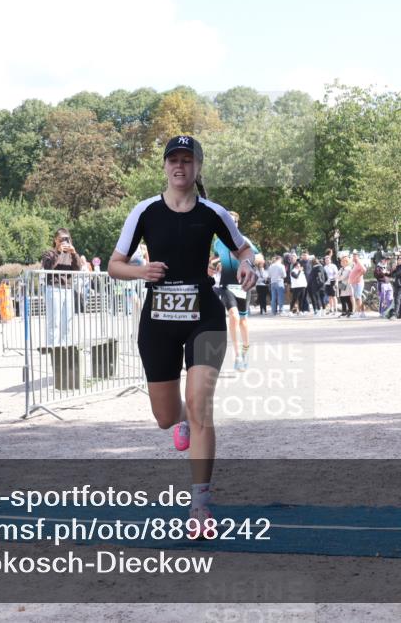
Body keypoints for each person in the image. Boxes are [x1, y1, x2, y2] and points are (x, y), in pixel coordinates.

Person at [107, 135, 254, 536]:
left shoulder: (213, 213)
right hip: (158, 322)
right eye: (174, 159)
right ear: (165, 166)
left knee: (202, 404)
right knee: (165, 416)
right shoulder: (144, 211)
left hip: (203, 316)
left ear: (197, 167)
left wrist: (248, 266)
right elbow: (114, 264)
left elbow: (244, 250)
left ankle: (200, 507)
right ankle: (182, 418)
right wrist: (141, 272)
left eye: (188, 160)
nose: (180, 167)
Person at [212, 211, 259, 370]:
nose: (229, 225)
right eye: (227, 222)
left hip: (243, 285)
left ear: (237, 224)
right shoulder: (218, 242)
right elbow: (213, 258)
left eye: (233, 222)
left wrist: (246, 262)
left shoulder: (243, 241)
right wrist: (215, 262)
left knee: (243, 321)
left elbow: (259, 258)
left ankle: (245, 348)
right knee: (233, 315)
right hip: (226, 285)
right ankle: (237, 355)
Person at [41, 228, 82, 347]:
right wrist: (58, 252)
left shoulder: (70, 254)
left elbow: (78, 268)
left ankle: (66, 348)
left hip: (68, 289)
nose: (64, 242)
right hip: (54, 289)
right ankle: (53, 349)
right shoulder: (48, 253)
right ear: (55, 240)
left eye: (66, 239)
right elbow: (48, 267)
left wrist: (74, 253)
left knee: (68, 322)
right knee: (54, 322)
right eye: (61, 239)